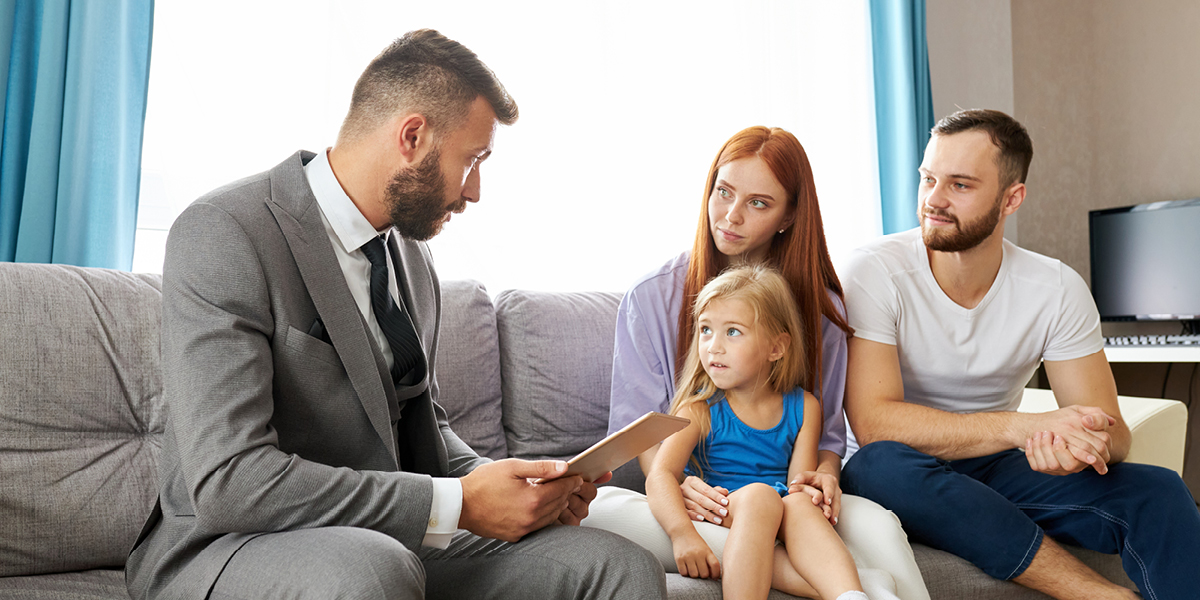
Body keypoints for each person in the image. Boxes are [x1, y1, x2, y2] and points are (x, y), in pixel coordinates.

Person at [125, 29, 665, 600]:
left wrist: (509, 487)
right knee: (373, 569)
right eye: (473, 159)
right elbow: (230, 481)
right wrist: (454, 504)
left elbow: (423, 427)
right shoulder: (225, 232)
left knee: (617, 566)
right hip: (231, 543)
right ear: (412, 136)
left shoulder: (411, 255)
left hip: (384, 534)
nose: (475, 190)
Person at [840, 108, 1200, 600]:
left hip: (996, 467)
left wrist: (1074, 445)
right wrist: (1020, 427)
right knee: (876, 464)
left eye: (960, 185)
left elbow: (1112, 436)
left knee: (1158, 491)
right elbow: (875, 426)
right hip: (904, 471)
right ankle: (1098, 594)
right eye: (928, 178)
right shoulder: (874, 271)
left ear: (1012, 198)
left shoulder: (1054, 287)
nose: (933, 200)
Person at [584, 126, 930, 600]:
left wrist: (822, 479)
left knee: (883, 531)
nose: (730, 216)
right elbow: (645, 440)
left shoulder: (821, 310)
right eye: (723, 192)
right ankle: (856, 587)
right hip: (697, 500)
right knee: (603, 510)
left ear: (789, 215)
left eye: (759, 203)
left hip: (787, 501)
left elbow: (826, 439)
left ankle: (854, 590)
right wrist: (681, 487)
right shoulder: (652, 296)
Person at [649, 265, 897, 600]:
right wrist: (682, 533)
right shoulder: (698, 410)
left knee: (797, 503)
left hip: (779, 513)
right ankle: (863, 587)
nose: (713, 346)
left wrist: (811, 500)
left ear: (776, 348)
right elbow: (661, 474)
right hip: (723, 510)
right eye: (706, 330)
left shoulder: (805, 408)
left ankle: (853, 595)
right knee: (760, 497)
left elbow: (799, 483)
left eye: (732, 332)